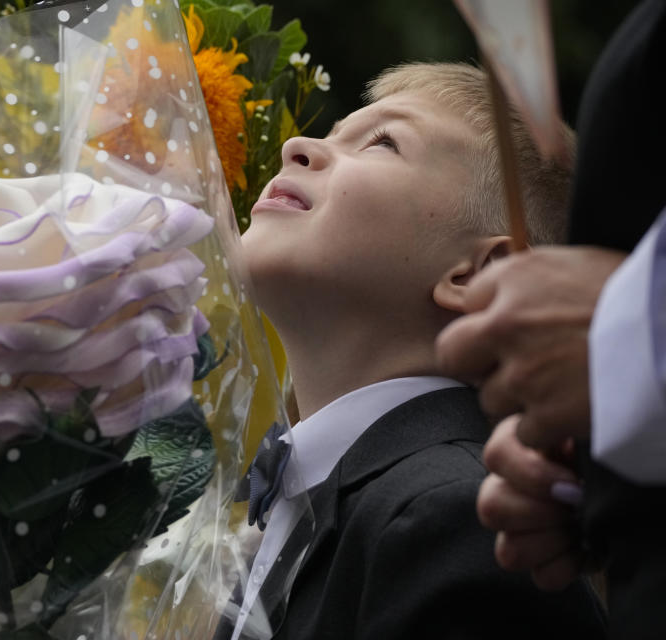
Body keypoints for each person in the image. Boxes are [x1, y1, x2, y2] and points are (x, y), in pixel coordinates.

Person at [217, 61, 606, 640]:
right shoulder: (312, 508)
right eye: (332, 132)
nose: (298, 146)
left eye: (381, 143)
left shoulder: (455, 521)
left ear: (480, 276)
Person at [435, 0, 666, 637]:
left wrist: (629, 329)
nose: (297, 144)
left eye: (380, 142)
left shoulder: (433, 511)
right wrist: (599, 466)